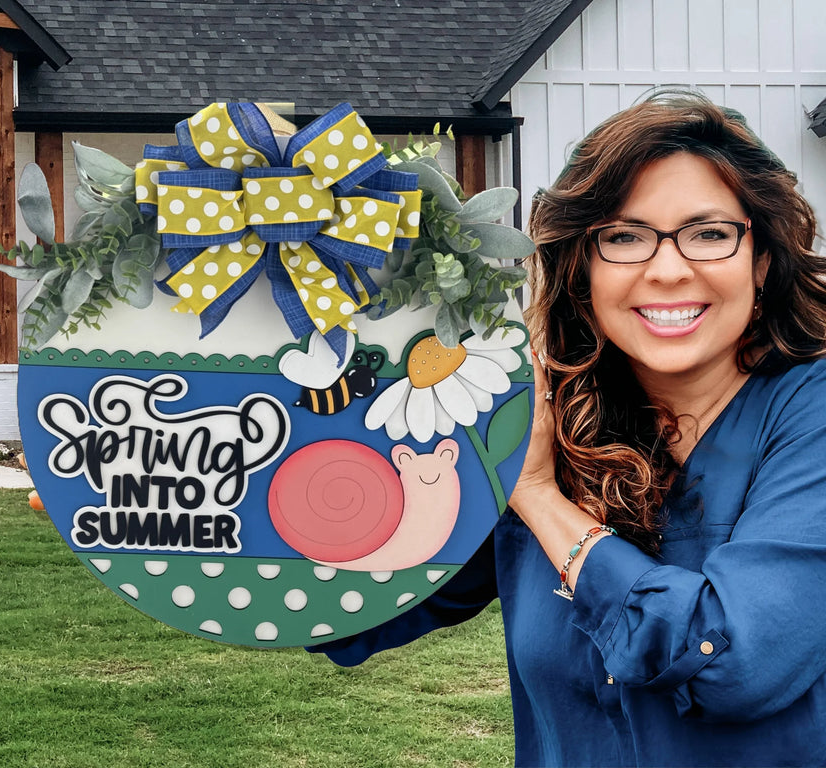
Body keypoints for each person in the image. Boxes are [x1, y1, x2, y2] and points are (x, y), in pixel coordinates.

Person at [309, 91, 826, 767]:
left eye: (708, 234)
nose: (669, 269)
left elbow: (733, 662)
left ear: (760, 261)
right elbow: (354, 607)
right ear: (583, 270)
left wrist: (538, 496)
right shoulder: (547, 420)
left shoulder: (808, 416)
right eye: (624, 237)